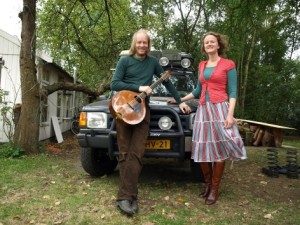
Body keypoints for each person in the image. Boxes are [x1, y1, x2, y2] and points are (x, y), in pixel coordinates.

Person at [110, 29, 190, 215]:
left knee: (136, 154)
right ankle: (128, 196)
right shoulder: (125, 61)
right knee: (124, 153)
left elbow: (167, 82)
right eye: (139, 42)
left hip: (143, 112)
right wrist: (139, 87)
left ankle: (125, 197)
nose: (142, 46)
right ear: (134, 43)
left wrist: (180, 102)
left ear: (148, 45)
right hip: (123, 109)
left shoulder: (153, 62)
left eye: (145, 43)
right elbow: (115, 84)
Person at [169, 31, 247, 205]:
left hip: (220, 109)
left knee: (219, 148)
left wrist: (230, 114)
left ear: (218, 45)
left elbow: (233, 92)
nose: (209, 44)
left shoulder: (228, 64)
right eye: (206, 43)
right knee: (202, 148)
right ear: (204, 47)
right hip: (204, 110)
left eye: (212, 42)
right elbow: (197, 91)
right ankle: (207, 184)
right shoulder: (202, 65)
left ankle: (214, 189)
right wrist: (179, 99)